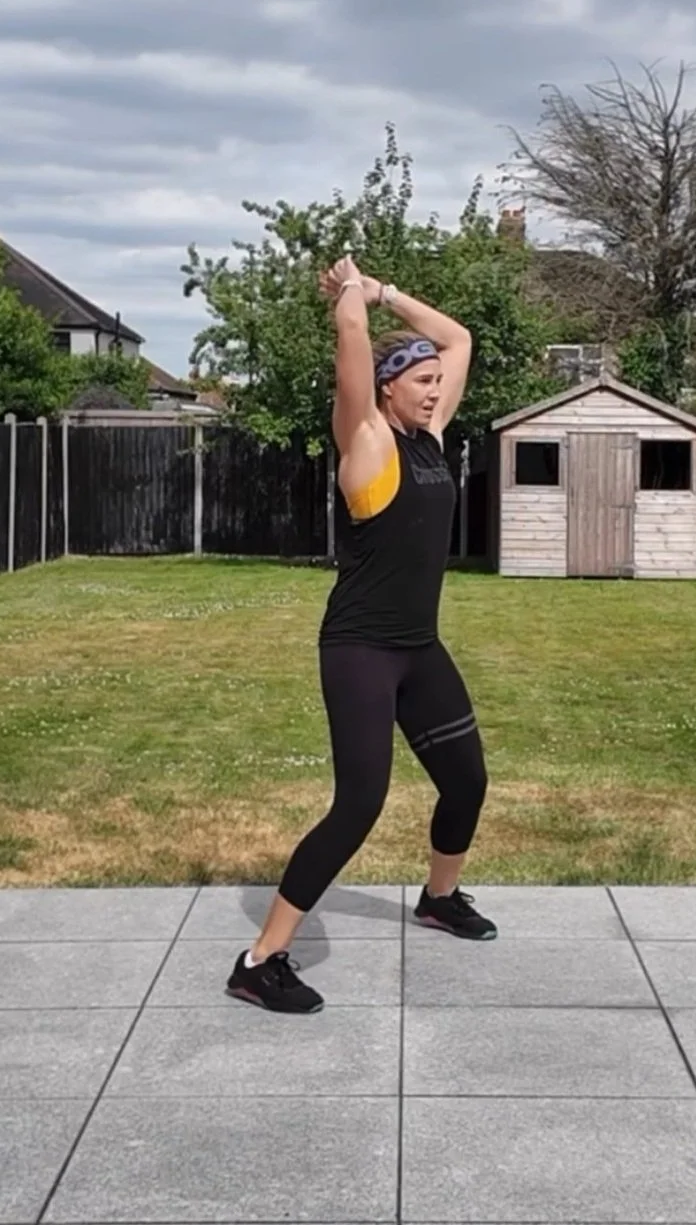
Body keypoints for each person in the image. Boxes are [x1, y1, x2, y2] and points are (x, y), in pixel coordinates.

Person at [225, 255, 497, 1015]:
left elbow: (459, 337)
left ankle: (439, 899)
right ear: (386, 390)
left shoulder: (431, 438)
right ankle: (259, 958)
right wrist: (352, 295)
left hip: (419, 647)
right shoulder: (369, 443)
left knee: (467, 780)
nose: (437, 386)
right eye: (421, 381)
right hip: (360, 651)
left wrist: (386, 290)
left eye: (435, 381)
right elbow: (351, 339)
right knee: (359, 803)